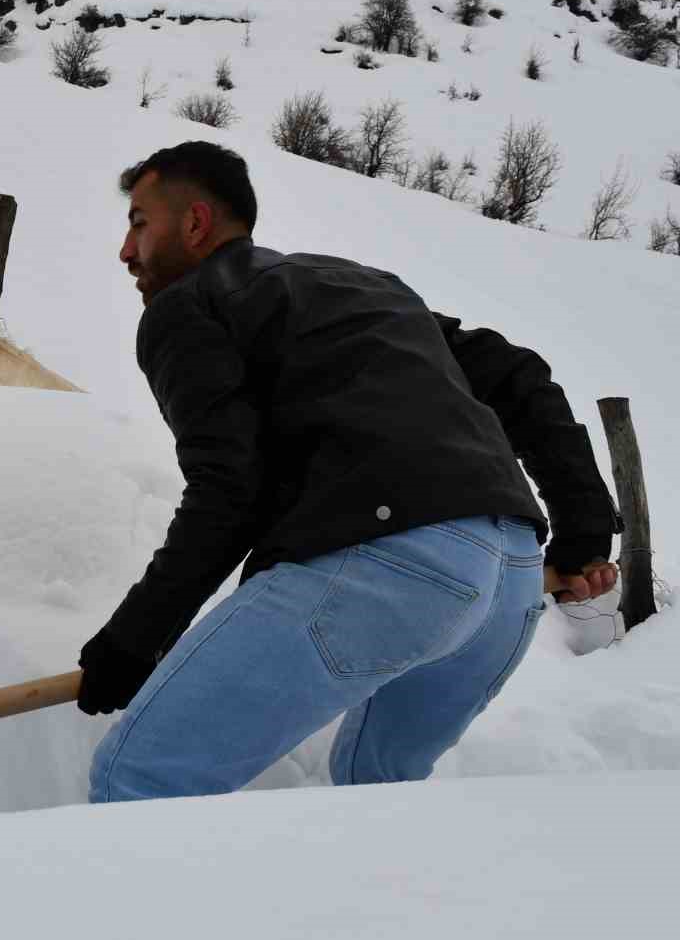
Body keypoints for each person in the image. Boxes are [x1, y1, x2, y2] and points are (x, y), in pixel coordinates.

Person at [81, 140, 622, 803]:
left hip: (388, 562)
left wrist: (134, 640)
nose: (126, 251)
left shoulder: (189, 306)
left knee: (138, 779)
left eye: (139, 222)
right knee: (378, 792)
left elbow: (228, 489)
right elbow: (518, 374)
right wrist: (583, 532)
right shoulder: (361, 287)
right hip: (507, 576)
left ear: (194, 223)